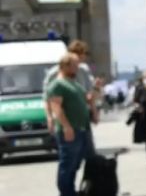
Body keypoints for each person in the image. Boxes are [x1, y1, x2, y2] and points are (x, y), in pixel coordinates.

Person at [47, 53, 92, 196]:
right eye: (75, 65)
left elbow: (87, 100)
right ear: (65, 66)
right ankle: (66, 193)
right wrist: (66, 126)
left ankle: (71, 191)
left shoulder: (74, 84)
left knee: (75, 165)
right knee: (67, 165)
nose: (77, 68)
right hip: (70, 130)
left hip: (81, 129)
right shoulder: (58, 84)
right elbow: (56, 107)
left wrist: (96, 89)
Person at [43, 40, 96, 156]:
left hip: (82, 121)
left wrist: (94, 110)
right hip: (65, 120)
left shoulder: (84, 70)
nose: (83, 59)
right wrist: (49, 118)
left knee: (90, 155)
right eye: (82, 55)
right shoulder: (54, 74)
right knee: (70, 158)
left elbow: (89, 93)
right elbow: (48, 98)